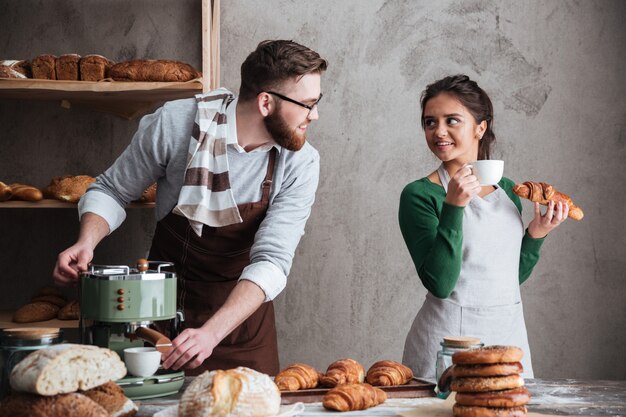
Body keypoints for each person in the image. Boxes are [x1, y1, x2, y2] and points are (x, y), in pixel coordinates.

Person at [52, 40, 328, 376]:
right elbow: (112, 189)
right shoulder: (176, 124)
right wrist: (86, 242)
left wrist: (211, 333)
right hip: (158, 314)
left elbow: (272, 261)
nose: (314, 115)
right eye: (307, 104)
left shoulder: (300, 162)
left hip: (241, 328)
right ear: (266, 102)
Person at [399, 74, 569, 379]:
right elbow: (440, 282)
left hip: (508, 337)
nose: (439, 132)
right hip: (447, 345)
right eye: (430, 122)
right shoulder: (421, 195)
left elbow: (508, 278)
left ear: (481, 127)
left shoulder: (508, 191)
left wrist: (536, 234)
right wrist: (453, 207)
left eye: (452, 120)